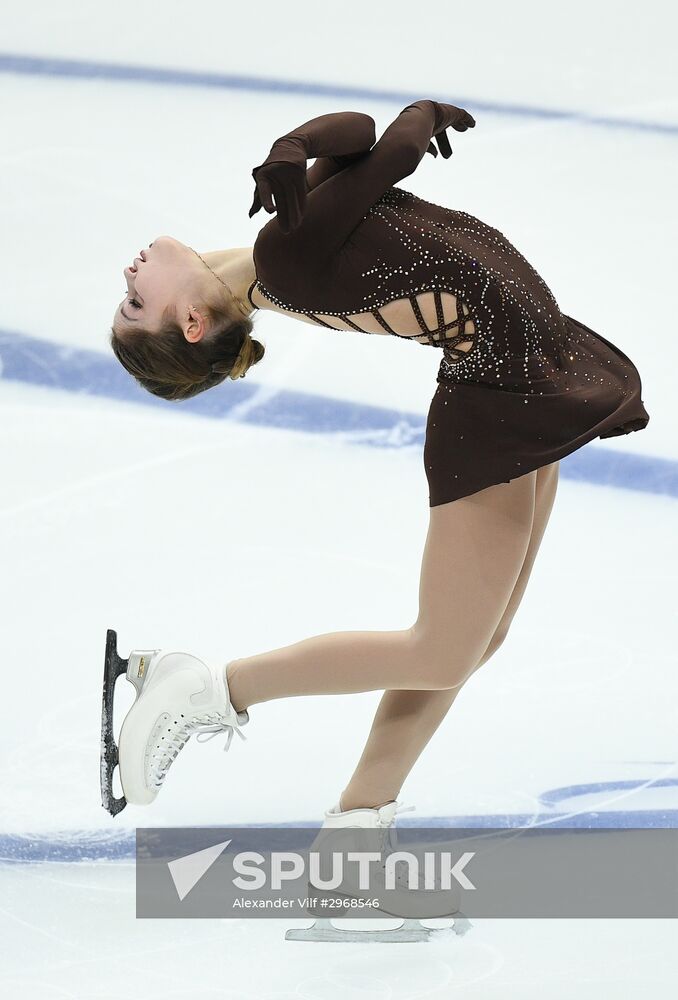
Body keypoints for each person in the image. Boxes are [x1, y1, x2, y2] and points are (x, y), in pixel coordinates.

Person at [107, 99, 649, 846]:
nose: (129, 274)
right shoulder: (286, 261)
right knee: (443, 647)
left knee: (477, 640)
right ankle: (207, 691)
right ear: (191, 324)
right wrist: (420, 114)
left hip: (532, 370)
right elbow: (391, 152)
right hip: (497, 398)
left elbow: (358, 139)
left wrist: (293, 147)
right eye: (136, 303)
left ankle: (358, 826)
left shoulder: (277, 254)